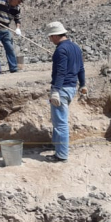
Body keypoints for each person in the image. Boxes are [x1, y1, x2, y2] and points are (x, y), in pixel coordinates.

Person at [44, 21, 87, 162]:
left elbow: (61, 71)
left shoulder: (61, 50)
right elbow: (81, 68)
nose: (50, 40)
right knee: (59, 122)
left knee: (60, 123)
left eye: (50, 37)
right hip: (71, 88)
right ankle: (57, 147)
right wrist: (83, 84)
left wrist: (55, 90)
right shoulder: (75, 47)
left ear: (56, 35)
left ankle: (61, 155)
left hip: (62, 89)